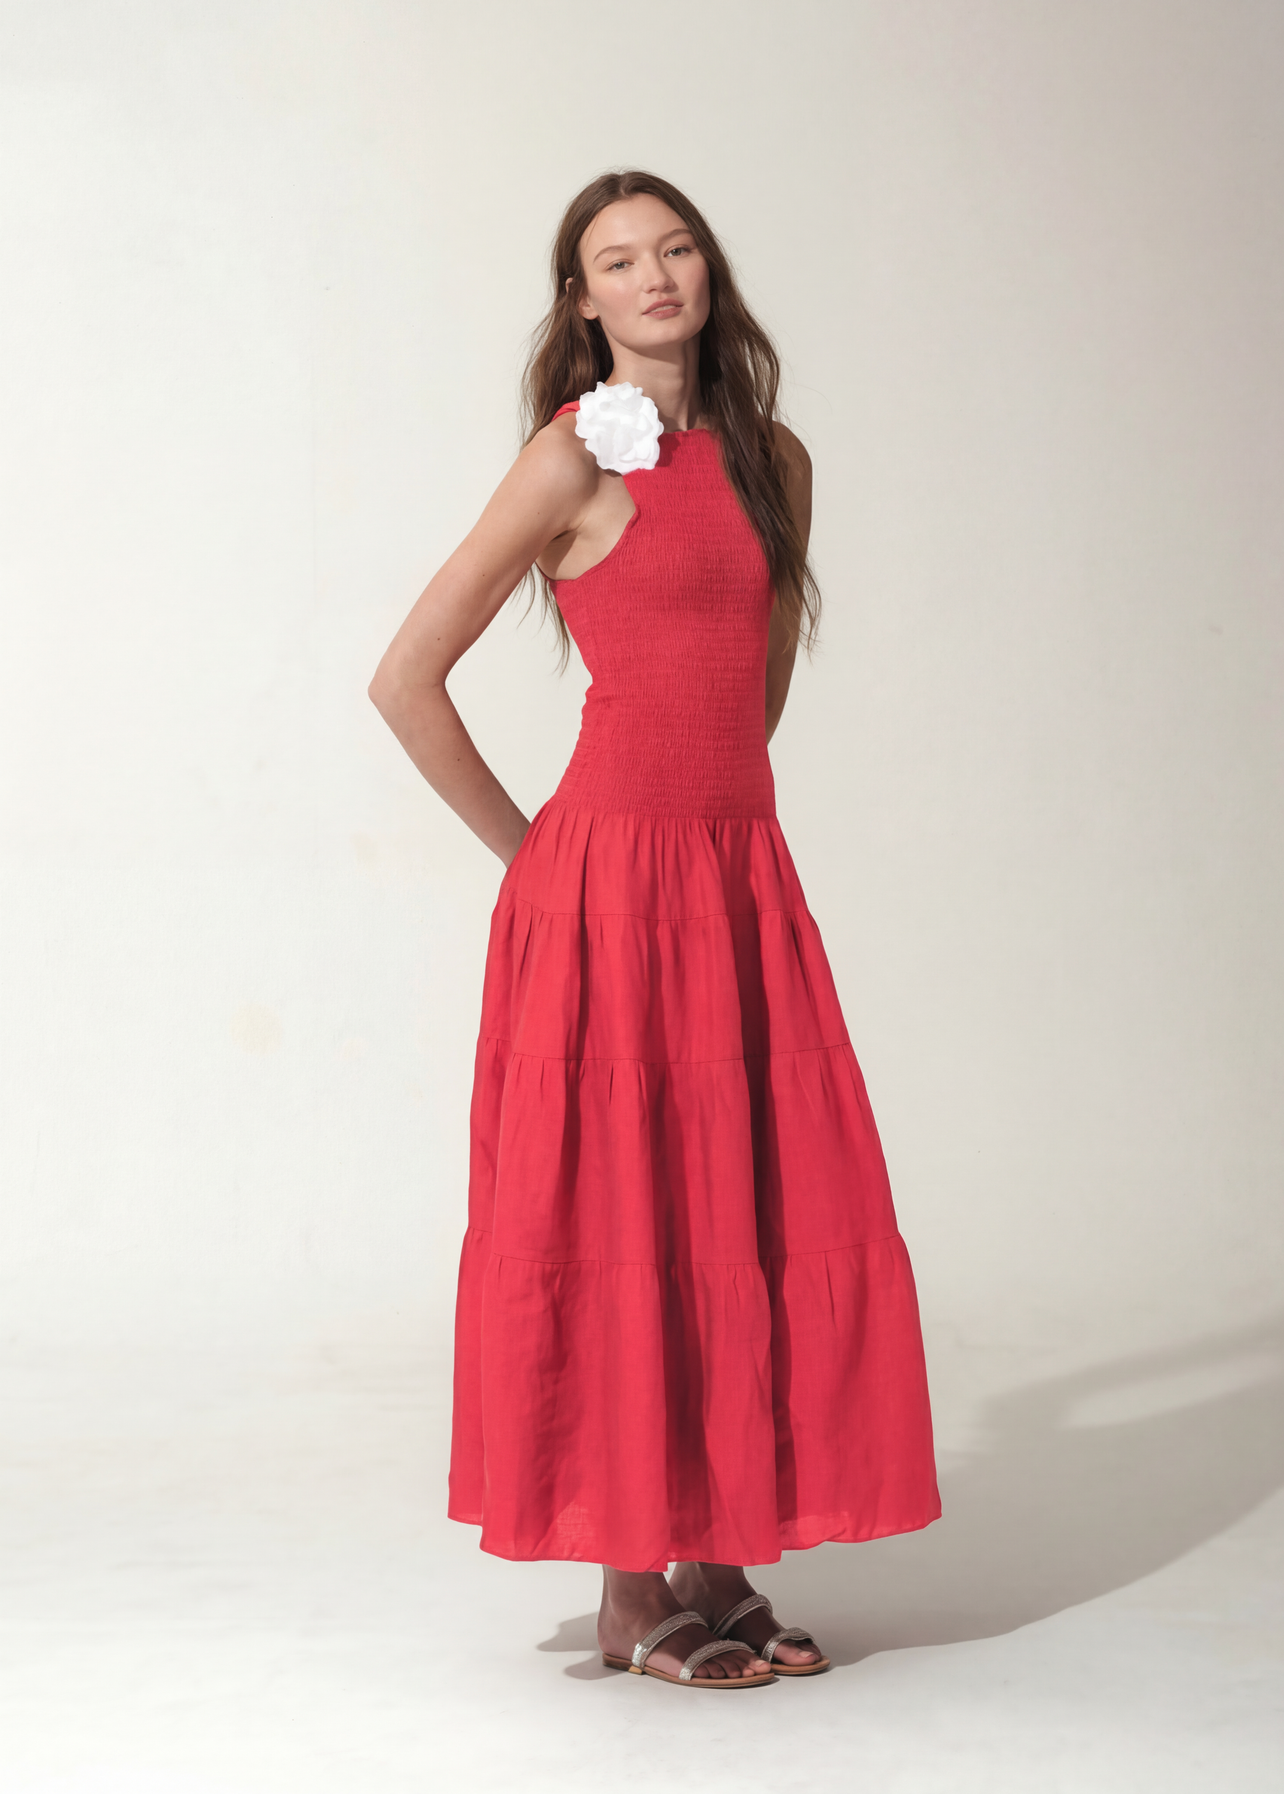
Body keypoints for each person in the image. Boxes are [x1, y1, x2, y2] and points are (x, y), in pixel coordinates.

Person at [369, 170, 940, 1688]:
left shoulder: (781, 464)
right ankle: (632, 1591)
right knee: (626, 1209)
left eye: (674, 245)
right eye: (618, 260)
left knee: (738, 1197)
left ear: (709, 269)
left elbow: (749, 698)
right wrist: (535, 857)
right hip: (607, 892)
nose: (656, 274)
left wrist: (726, 840)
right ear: (584, 302)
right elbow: (405, 678)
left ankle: (717, 1551)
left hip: (735, 878)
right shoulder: (572, 459)